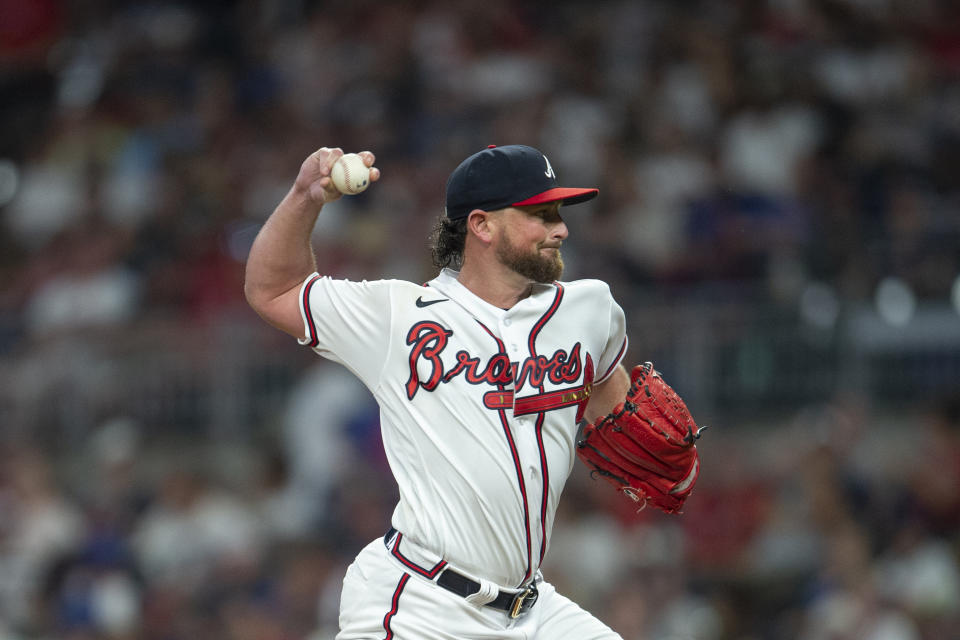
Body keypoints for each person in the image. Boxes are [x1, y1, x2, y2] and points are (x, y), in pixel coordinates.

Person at [245, 144, 636, 639]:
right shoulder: (399, 317)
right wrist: (305, 197)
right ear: (482, 225)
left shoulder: (590, 308)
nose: (560, 228)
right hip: (422, 603)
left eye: (557, 213)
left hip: (533, 609)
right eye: (540, 214)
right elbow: (273, 290)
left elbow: (609, 397)